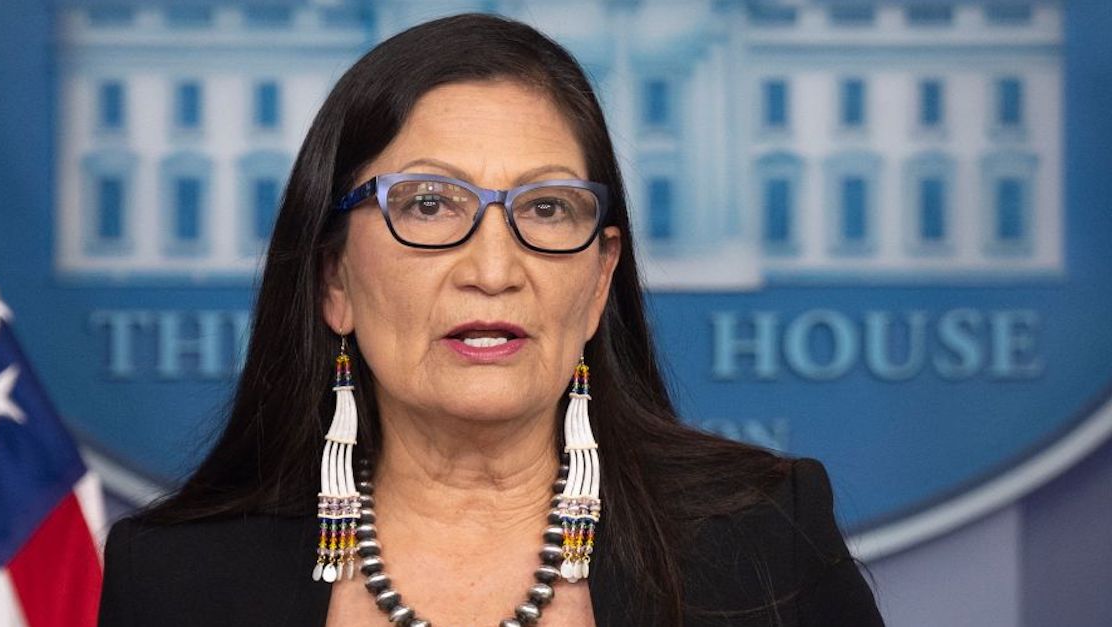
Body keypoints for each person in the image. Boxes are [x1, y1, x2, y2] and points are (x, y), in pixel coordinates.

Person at [96, 12, 884, 627]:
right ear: (334, 277)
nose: (494, 270)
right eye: (431, 205)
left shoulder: (765, 538)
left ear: (600, 277)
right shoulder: (175, 577)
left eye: (546, 208)